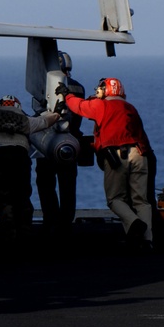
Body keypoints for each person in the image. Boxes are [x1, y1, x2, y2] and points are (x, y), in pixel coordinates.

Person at [58, 77, 153, 250]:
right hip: (139, 155)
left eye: (99, 89)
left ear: (106, 90)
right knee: (141, 201)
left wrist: (67, 95)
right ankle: (146, 241)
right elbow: (140, 135)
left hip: (116, 156)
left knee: (115, 199)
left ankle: (135, 224)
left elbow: (79, 107)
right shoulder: (130, 107)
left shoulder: (101, 106)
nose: (96, 91)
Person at [0, 95, 59, 245]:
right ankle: (25, 236)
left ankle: (9, 236)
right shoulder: (24, 120)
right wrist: (57, 113)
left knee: (4, 199)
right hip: (20, 158)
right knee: (22, 197)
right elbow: (45, 121)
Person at [35, 51, 84, 239]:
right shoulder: (78, 87)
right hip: (72, 143)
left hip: (48, 143)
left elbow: (40, 112)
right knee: (68, 185)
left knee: (46, 183)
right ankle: (66, 224)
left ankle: (51, 220)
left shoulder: (45, 87)